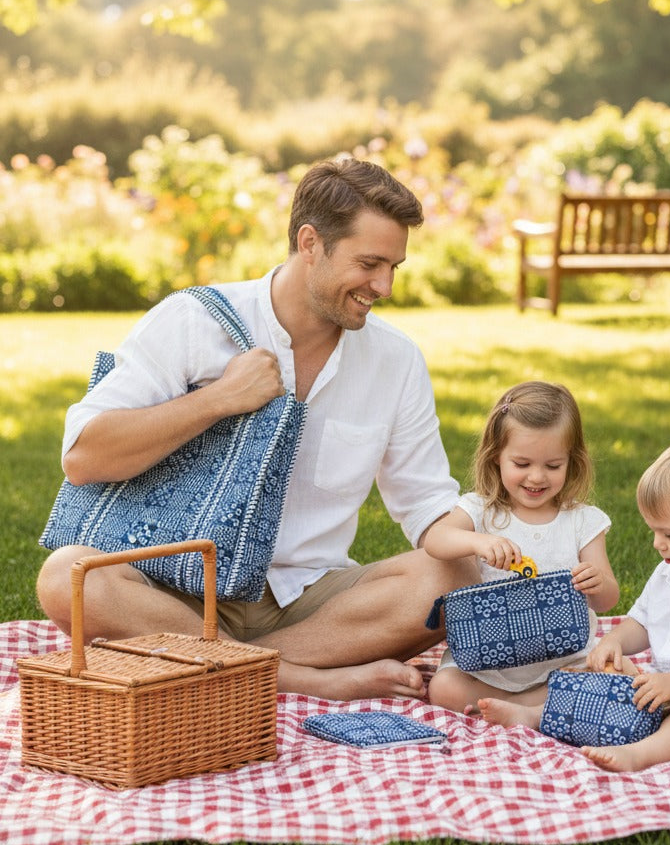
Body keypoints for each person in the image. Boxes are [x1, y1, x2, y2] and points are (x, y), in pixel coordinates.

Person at [36, 158, 475, 701]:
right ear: (310, 242)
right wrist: (218, 400)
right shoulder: (195, 322)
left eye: (394, 267)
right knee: (67, 577)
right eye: (369, 263)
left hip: (311, 605)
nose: (383, 286)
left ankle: (221, 664)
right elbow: (83, 456)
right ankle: (295, 678)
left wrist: (517, 533)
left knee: (456, 577)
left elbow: (427, 503)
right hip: (174, 592)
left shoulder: (396, 359)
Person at [478, 438, 670, 775]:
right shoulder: (669, 572)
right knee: (599, 683)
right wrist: (614, 642)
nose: (656, 543)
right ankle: (535, 714)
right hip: (665, 686)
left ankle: (639, 755)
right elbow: (642, 623)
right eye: (653, 531)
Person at [423, 380, 619, 714]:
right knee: (443, 687)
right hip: (488, 664)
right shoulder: (481, 510)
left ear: (572, 461)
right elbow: (435, 540)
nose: (537, 477)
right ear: (496, 457)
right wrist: (478, 541)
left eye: (553, 466)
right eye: (522, 464)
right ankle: (526, 705)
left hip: (563, 659)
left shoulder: (582, 521)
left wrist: (597, 583)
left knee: (603, 675)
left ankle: (519, 707)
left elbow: (607, 599)